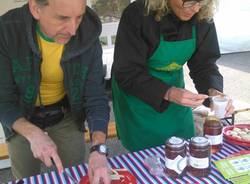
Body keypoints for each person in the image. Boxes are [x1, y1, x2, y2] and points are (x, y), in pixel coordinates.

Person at [0, 0, 111, 183]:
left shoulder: (88, 32)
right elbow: (2, 100)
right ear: (36, 8)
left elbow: (96, 97)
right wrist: (33, 133)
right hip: (20, 116)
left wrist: (99, 148)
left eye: (79, 17)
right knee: (26, 177)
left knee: (73, 174)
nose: (74, 30)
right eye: (62, 18)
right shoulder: (6, 31)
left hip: (66, 112)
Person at [112, 0, 234, 152]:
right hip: (138, 94)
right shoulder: (138, 14)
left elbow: (204, 64)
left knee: (183, 148)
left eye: (202, 2)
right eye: (189, 1)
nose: (195, 9)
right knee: (145, 156)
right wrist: (168, 92)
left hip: (176, 92)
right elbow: (127, 71)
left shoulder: (202, 15)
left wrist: (213, 91)